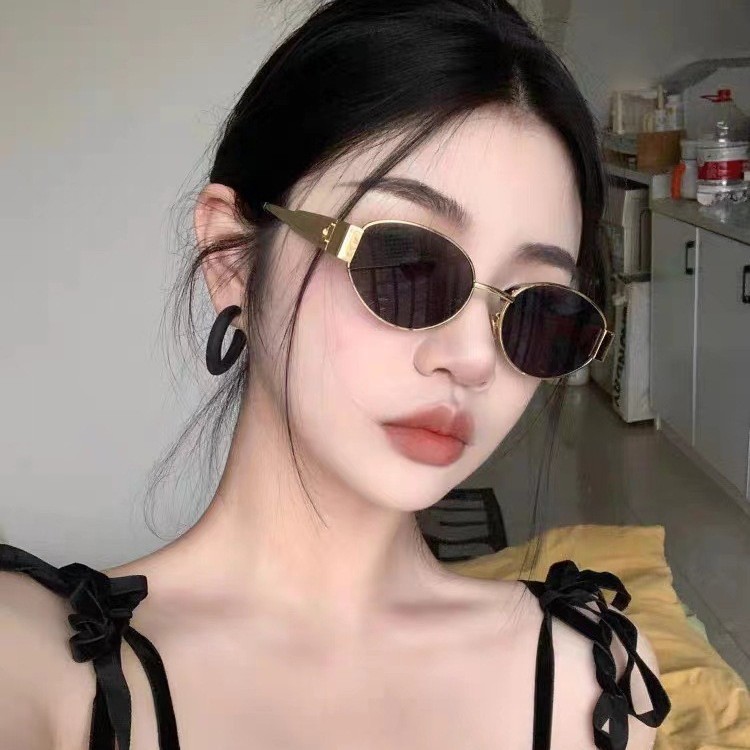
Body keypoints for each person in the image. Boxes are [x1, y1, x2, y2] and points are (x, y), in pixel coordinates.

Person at [0, 1, 672, 748]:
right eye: (405, 264)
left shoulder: (593, 680)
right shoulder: (34, 665)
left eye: (538, 307)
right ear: (232, 257)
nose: (474, 359)